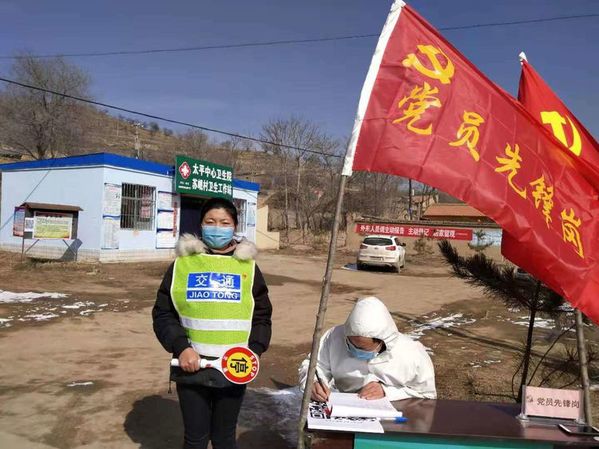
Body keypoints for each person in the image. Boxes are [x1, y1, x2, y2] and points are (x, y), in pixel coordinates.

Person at [152, 197, 272, 449]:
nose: (217, 228)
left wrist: (254, 350)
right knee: (195, 439)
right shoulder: (182, 265)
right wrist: (181, 347)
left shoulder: (248, 268)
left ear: (235, 226)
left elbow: (261, 315)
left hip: (234, 368)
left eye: (224, 222)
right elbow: (163, 313)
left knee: (224, 438)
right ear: (201, 225)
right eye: (211, 221)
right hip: (191, 367)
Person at [299, 296, 436, 402]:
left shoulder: (412, 353)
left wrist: (388, 391)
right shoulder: (334, 337)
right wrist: (312, 382)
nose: (356, 351)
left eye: (362, 348)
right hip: (346, 410)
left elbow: (427, 395)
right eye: (351, 344)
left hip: (395, 418)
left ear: (383, 341)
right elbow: (314, 365)